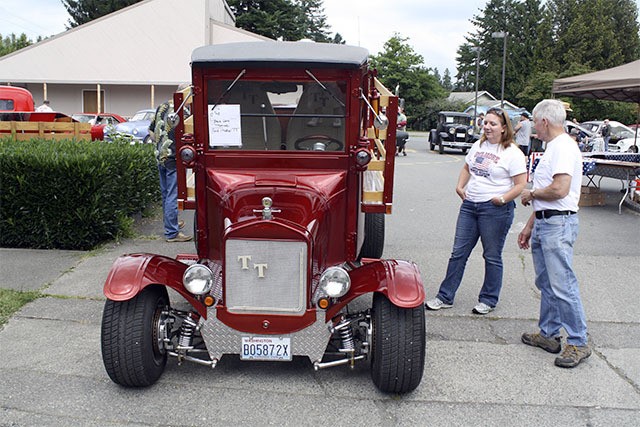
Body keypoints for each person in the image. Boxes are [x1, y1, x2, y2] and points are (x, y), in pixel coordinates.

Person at [425, 107, 527, 315]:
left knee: (491, 256)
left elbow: (520, 184)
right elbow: (466, 168)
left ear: (504, 128)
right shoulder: (478, 145)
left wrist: (501, 199)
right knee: (458, 253)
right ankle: (445, 296)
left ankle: (488, 299)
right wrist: (460, 187)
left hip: (495, 210)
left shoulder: (512, 153)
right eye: (485, 123)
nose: (487, 127)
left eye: (493, 124)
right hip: (470, 206)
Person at [518, 99, 590, 369]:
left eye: (535, 122)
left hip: (558, 225)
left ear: (544, 121)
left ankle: (578, 341)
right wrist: (530, 226)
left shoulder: (561, 148)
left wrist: (531, 193)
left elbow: (559, 190)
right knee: (548, 283)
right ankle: (549, 334)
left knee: (562, 285)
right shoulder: (555, 147)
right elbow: (551, 199)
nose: (534, 128)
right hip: (548, 222)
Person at [149, 99, 192, 243]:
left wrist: (160, 147)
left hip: (160, 156)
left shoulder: (162, 107)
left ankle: (170, 222)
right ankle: (172, 232)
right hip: (173, 158)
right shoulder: (183, 111)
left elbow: (151, 131)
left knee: (166, 194)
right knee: (173, 194)